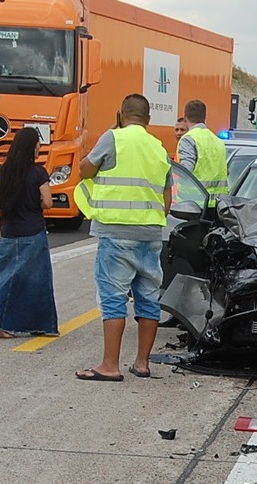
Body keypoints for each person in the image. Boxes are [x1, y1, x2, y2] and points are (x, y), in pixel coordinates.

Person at [73, 93, 172, 381]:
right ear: (148, 120)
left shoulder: (113, 138)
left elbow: (84, 170)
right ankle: (142, 363)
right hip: (151, 235)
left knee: (113, 298)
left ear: (120, 115)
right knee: (149, 298)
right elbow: (167, 201)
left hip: (116, 233)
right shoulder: (159, 149)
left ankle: (110, 366)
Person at [0, 126, 59, 339]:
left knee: (2, 277)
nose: (39, 147)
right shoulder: (38, 172)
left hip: (9, 232)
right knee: (37, 280)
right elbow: (48, 202)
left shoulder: (6, 170)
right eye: (38, 144)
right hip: (33, 232)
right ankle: (40, 324)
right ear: (31, 147)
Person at [177, 99, 229, 206]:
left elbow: (186, 171)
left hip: (193, 205)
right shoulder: (218, 141)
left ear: (185, 118)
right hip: (217, 204)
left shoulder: (188, 139)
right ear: (205, 118)